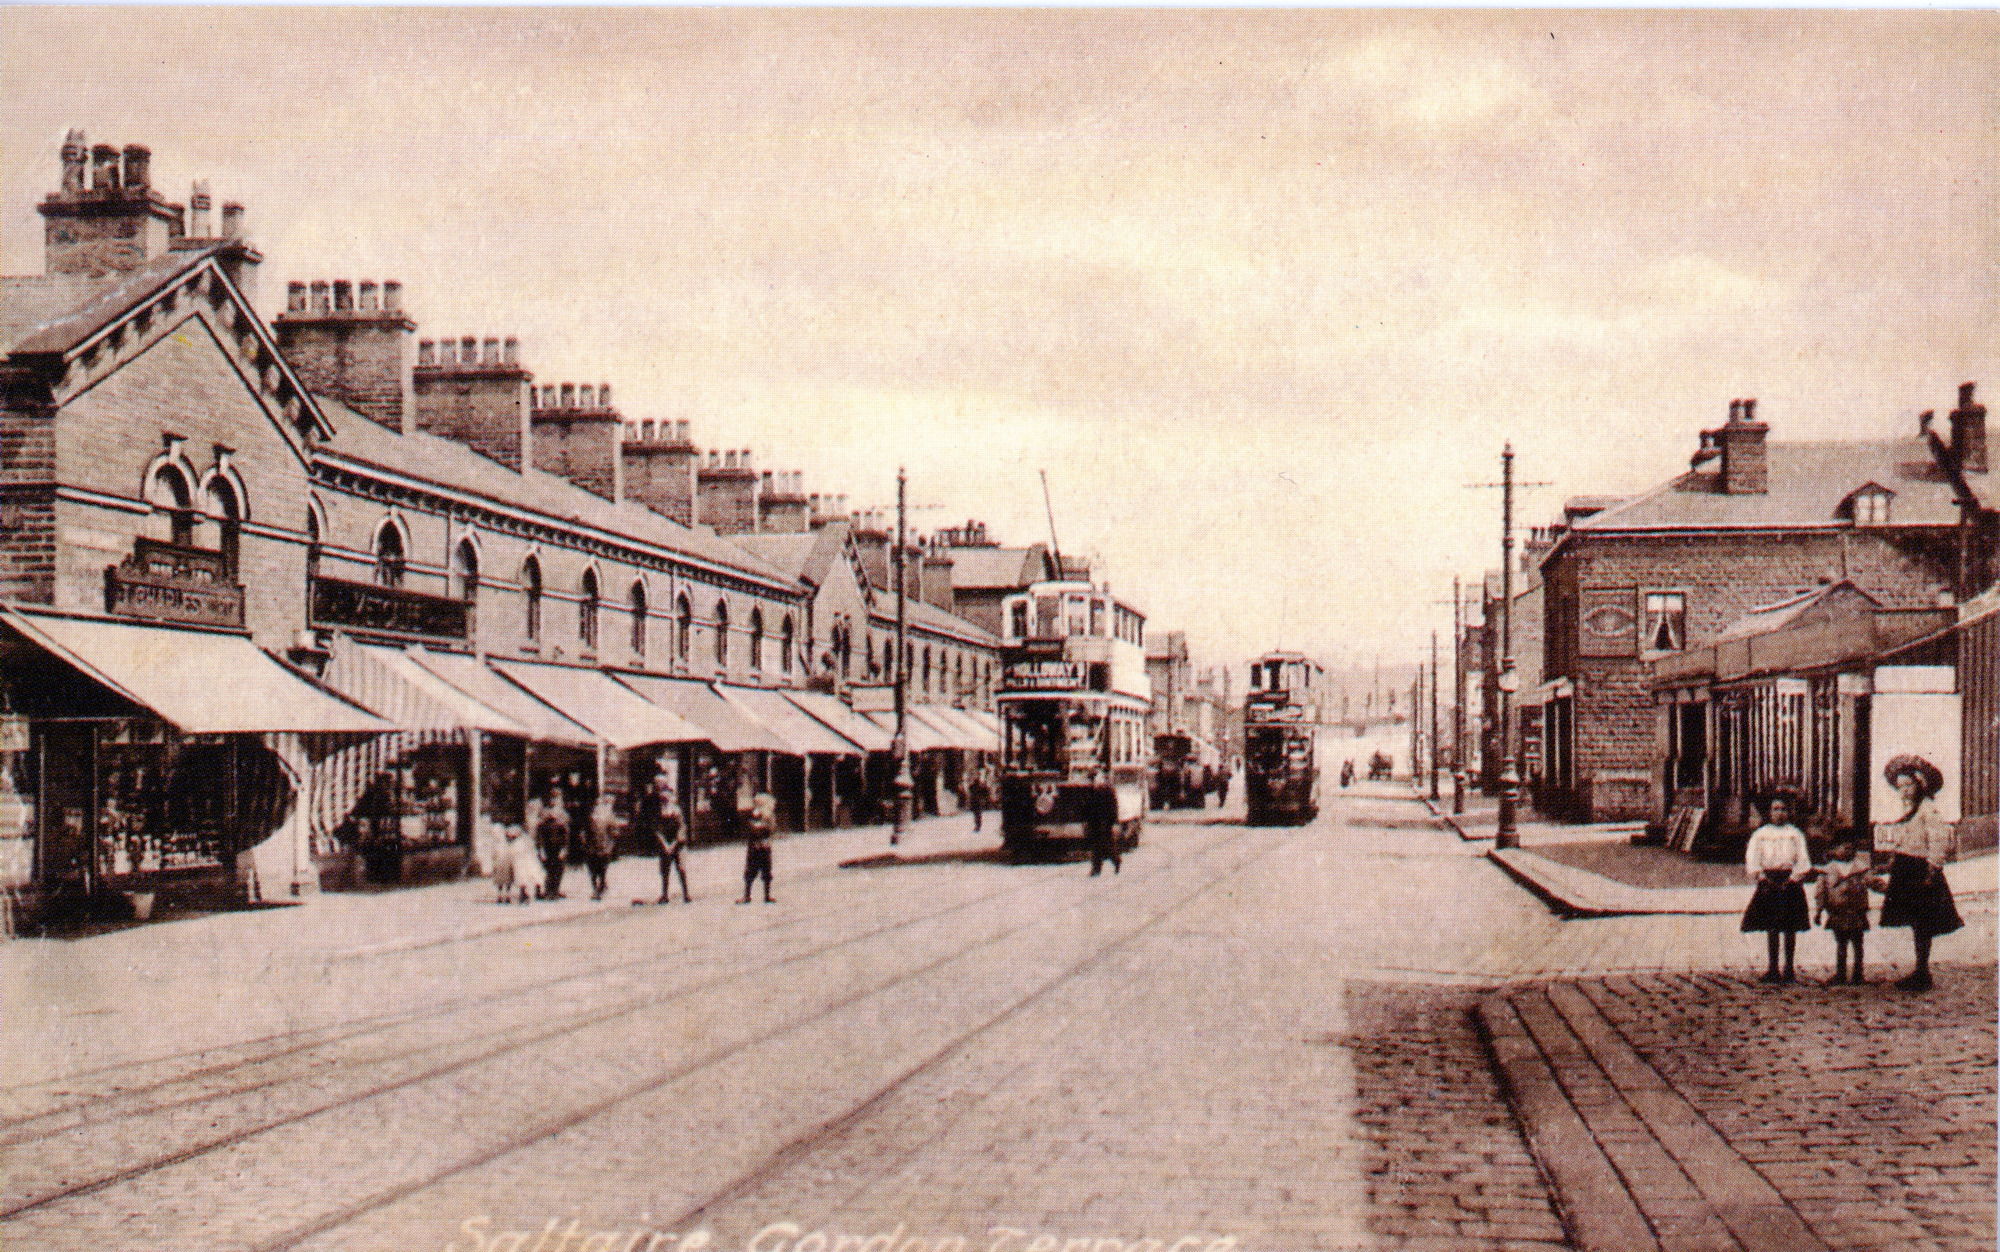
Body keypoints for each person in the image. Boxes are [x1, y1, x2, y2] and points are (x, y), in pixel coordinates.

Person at [1875, 754, 1962, 992]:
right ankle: (1920, 970)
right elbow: (1906, 840)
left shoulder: (1928, 810)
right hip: (1906, 869)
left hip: (1921, 871)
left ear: (1920, 784)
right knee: (1915, 921)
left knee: (1923, 922)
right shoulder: (1911, 811)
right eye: (1899, 787)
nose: (1903, 791)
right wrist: (1891, 864)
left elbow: (1938, 841)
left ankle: (1922, 971)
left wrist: (1932, 870)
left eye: (1908, 785)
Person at [1741, 792, 1812, 984]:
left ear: (1789, 812)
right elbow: (1752, 858)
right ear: (1769, 812)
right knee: (1772, 927)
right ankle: (1773, 969)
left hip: (1790, 882)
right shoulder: (1761, 834)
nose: (1780, 813)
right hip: (1769, 882)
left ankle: (1789, 968)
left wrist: (1795, 877)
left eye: (1783, 809)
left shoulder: (1795, 834)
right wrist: (1761, 876)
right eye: (1775, 809)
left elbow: (1803, 860)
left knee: (1790, 927)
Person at [1815, 839, 1879, 985]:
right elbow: (1820, 892)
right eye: (1843, 847)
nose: (1847, 851)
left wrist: (1889, 889)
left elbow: (1874, 882)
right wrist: (1818, 911)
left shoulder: (1861, 869)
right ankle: (1841, 974)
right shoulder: (1827, 871)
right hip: (1838, 913)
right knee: (1841, 944)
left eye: (1850, 848)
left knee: (1858, 944)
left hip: (1857, 912)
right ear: (1833, 850)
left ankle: (1858, 974)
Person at [653, 782, 691, 904]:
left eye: (666, 796)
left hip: (678, 844)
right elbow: (657, 829)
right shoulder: (658, 811)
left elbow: (681, 828)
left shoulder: (676, 810)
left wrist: (674, 844)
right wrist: (664, 844)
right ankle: (664, 895)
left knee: (681, 868)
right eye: (662, 797)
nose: (664, 799)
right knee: (665, 870)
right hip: (666, 843)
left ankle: (686, 894)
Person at [739, 791, 777, 903]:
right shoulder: (757, 814)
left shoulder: (768, 815)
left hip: (762, 846)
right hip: (756, 846)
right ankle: (748, 895)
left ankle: (765, 895)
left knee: (766, 871)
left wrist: (760, 827)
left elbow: (770, 829)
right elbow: (752, 828)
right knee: (751, 871)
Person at [533, 792, 570, 900]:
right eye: (552, 798)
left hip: (559, 845)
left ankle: (555, 890)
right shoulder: (543, 813)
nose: (554, 801)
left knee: (558, 869)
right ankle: (548, 891)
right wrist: (540, 848)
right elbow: (539, 832)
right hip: (547, 846)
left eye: (556, 798)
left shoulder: (563, 814)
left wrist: (564, 848)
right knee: (548, 869)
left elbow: (566, 833)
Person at [581, 795, 618, 901]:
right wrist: (584, 842)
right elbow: (584, 831)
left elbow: (614, 832)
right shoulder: (589, 817)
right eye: (595, 804)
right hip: (591, 847)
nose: (597, 807)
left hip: (604, 846)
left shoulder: (609, 817)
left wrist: (610, 845)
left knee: (602, 870)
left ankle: (601, 888)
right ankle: (595, 889)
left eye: (599, 804)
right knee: (592, 870)